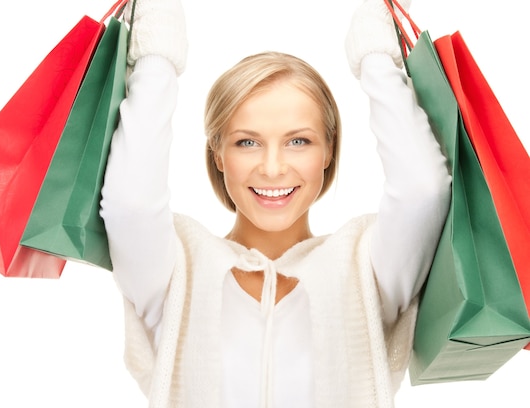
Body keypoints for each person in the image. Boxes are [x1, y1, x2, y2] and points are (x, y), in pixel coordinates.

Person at [100, 0, 451, 406]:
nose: (272, 168)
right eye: (247, 142)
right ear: (218, 153)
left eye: (298, 141)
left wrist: (375, 53)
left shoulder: (366, 267)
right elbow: (131, 203)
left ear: (328, 152)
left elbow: (422, 190)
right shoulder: (174, 267)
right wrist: (157, 49)